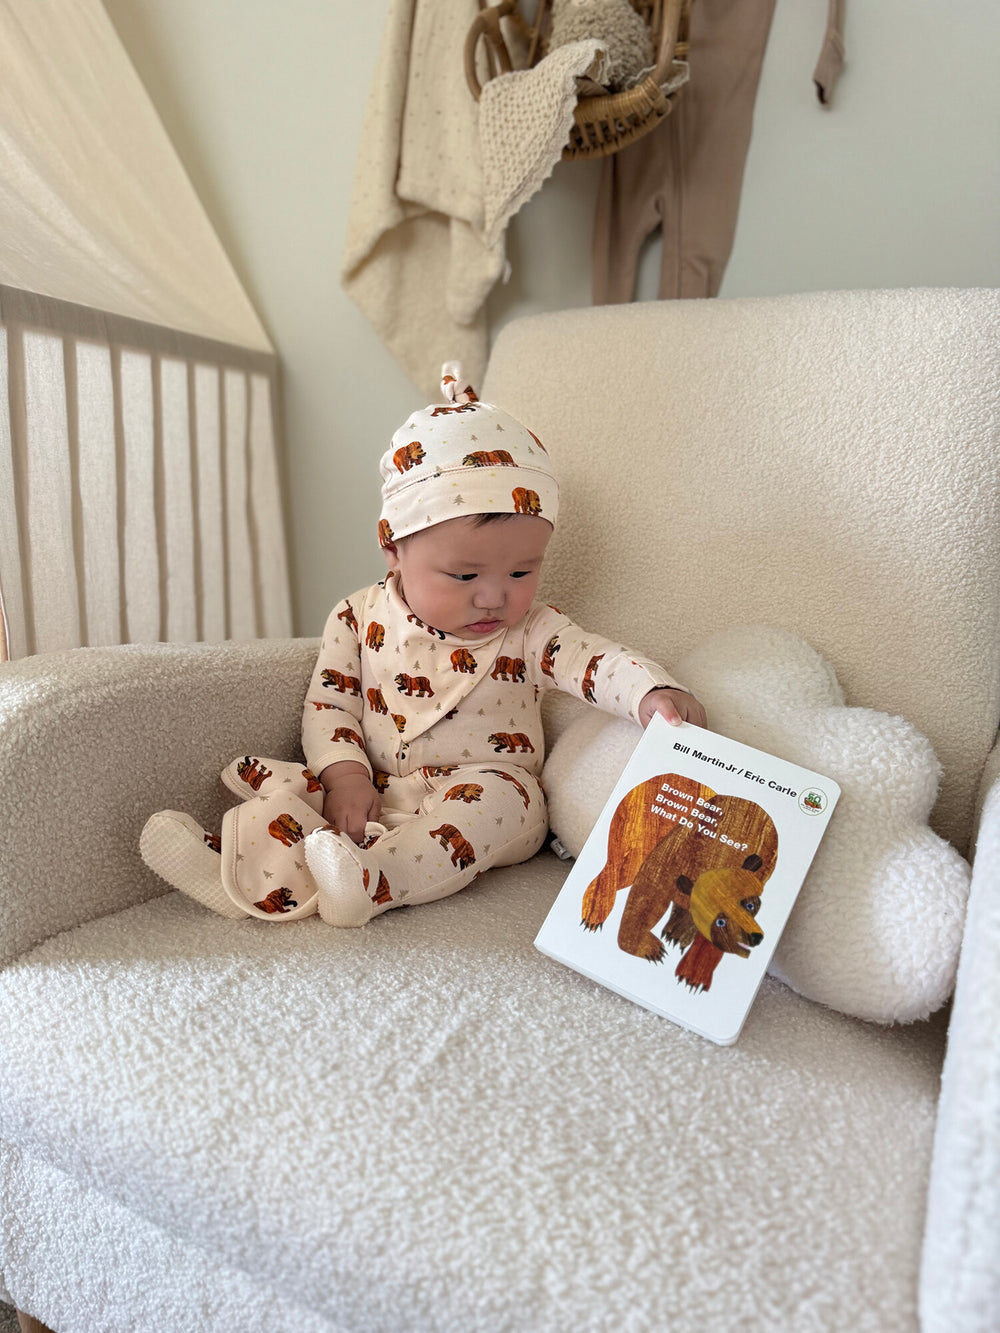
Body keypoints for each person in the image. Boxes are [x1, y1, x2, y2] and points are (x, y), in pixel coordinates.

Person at [140, 364, 706, 927]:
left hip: (484, 785)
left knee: (498, 810)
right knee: (302, 803)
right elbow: (330, 706)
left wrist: (648, 691)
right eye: (465, 576)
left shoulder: (533, 631)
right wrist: (346, 777)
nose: (494, 598)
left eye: (521, 572)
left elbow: (595, 661)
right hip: (377, 784)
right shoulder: (356, 617)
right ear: (394, 549)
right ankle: (229, 867)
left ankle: (370, 883)